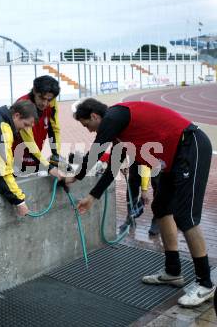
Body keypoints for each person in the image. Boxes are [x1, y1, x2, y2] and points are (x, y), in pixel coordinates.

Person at [69, 98, 215, 307]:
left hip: (191, 146)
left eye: (87, 125)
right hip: (172, 160)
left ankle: (205, 283)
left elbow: (97, 150)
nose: (90, 131)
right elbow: (113, 167)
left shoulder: (114, 116)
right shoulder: (120, 131)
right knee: (161, 208)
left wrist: (75, 176)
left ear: (94, 116)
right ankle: (173, 271)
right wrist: (93, 197)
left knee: (186, 216)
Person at [12, 75, 62, 178]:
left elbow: (54, 129)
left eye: (49, 100)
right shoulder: (23, 105)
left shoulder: (51, 102)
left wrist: (56, 155)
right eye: (41, 98)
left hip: (35, 158)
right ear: (34, 91)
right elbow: (28, 141)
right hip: (15, 159)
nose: (45, 103)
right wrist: (48, 167)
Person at [119, 163, 160, 236]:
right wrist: (123, 163)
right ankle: (130, 217)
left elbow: (146, 165)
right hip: (138, 157)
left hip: (158, 158)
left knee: (159, 186)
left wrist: (144, 190)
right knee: (132, 183)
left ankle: (157, 219)